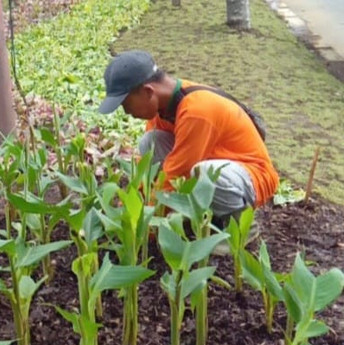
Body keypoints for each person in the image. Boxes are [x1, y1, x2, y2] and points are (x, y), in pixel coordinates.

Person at [98, 50, 279, 226]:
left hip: (250, 177)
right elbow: (148, 174)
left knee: (207, 173)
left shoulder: (197, 111)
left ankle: (238, 226)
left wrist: (144, 225)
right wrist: (128, 208)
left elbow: (175, 173)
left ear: (148, 92)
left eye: (126, 104)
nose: (127, 112)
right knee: (150, 142)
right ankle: (196, 211)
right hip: (212, 163)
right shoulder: (163, 106)